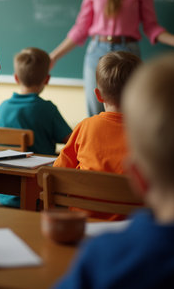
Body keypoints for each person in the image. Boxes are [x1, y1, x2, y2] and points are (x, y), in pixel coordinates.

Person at [54, 53, 174, 289]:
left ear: (140, 178)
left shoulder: (104, 258)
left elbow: (59, 174)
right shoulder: (144, 133)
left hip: (83, 230)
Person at [53, 51, 141, 220]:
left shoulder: (85, 127)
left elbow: (58, 174)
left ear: (98, 95)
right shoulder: (148, 133)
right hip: (133, 226)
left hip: (84, 223)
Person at [0, 47, 72, 208]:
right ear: (47, 79)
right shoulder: (47, 109)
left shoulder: (3, 107)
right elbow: (71, 140)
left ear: (16, 78)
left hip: (4, 194)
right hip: (38, 194)